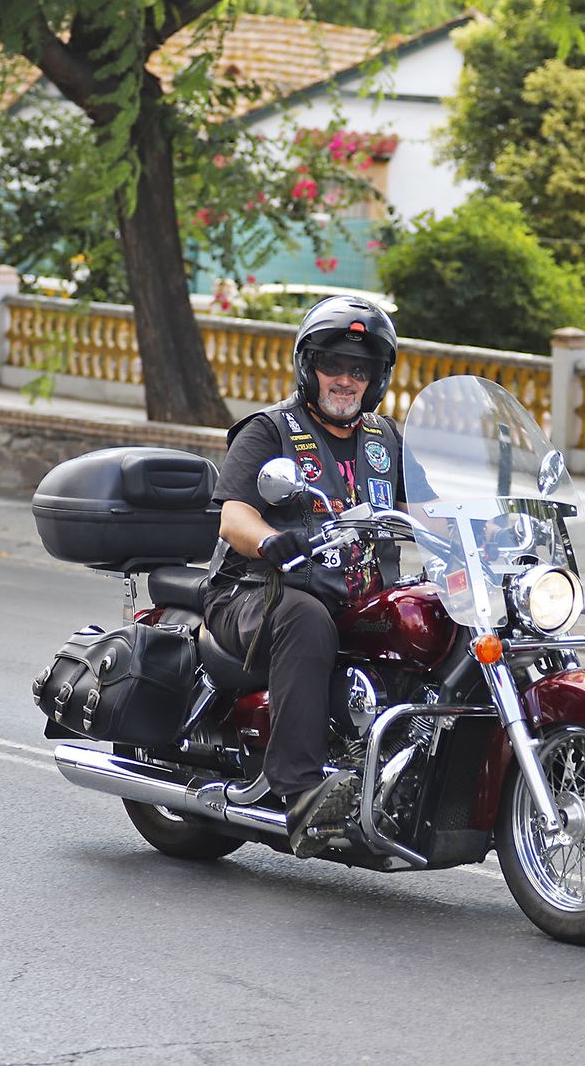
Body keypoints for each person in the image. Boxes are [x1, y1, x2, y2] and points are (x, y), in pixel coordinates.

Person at [203, 296, 403, 858]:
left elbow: (427, 513)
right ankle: (301, 791)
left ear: (377, 378)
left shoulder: (386, 440)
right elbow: (233, 516)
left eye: (360, 368)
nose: (346, 379)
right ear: (309, 367)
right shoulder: (271, 430)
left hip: (356, 595)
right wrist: (270, 540)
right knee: (306, 619)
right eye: (333, 364)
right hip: (256, 592)